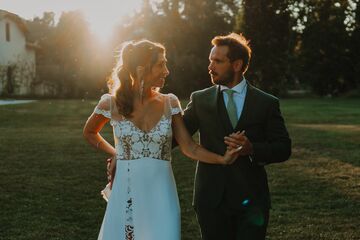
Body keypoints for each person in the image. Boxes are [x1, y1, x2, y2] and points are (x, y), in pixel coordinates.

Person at [83, 40, 241, 240]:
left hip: (162, 193)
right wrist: (117, 154)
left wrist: (222, 159)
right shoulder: (111, 103)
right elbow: (89, 132)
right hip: (128, 190)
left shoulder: (170, 102)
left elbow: (189, 147)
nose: (167, 71)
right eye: (161, 65)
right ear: (141, 69)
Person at [181, 33, 292, 240]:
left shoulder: (266, 103)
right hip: (211, 200)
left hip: (252, 202)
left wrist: (253, 149)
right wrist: (124, 154)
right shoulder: (199, 100)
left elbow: (283, 148)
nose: (210, 66)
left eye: (218, 61)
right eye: (210, 60)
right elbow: (174, 138)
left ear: (237, 65)